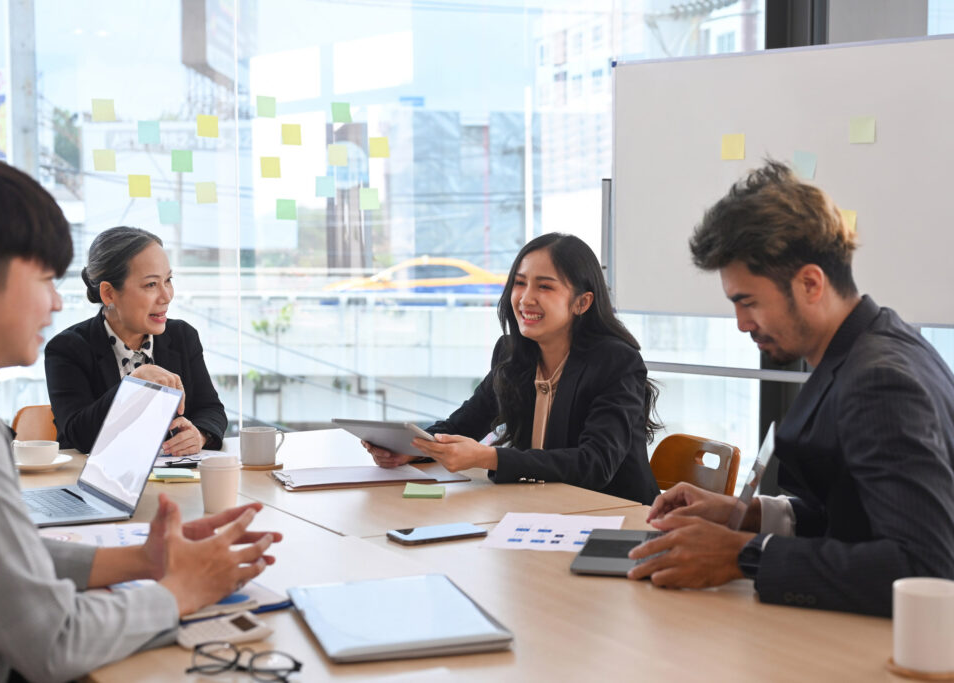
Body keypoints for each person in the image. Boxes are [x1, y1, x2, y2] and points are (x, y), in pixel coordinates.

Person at [0, 153, 281, 682]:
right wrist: (177, 595)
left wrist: (142, 560)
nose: (54, 302)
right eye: (46, 278)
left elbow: (6, 561)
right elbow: (53, 640)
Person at [626, 160, 954, 616]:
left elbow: (925, 568)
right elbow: (856, 517)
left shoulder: (880, 381)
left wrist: (741, 555)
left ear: (810, 283)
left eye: (749, 302)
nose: (742, 324)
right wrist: (750, 516)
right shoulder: (867, 344)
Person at [364, 233, 661, 504]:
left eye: (544, 286)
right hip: (535, 508)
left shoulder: (616, 361)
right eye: (520, 283)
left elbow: (594, 464)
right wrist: (413, 448)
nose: (525, 298)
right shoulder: (511, 353)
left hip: (612, 516)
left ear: (582, 302)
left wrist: (489, 457)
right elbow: (462, 425)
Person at [45, 226, 227, 456]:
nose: (167, 296)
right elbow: (78, 435)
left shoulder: (182, 336)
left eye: (168, 280)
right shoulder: (67, 348)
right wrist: (133, 384)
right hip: (93, 482)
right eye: (151, 284)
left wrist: (199, 434)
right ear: (109, 293)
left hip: (170, 480)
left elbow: (210, 409)